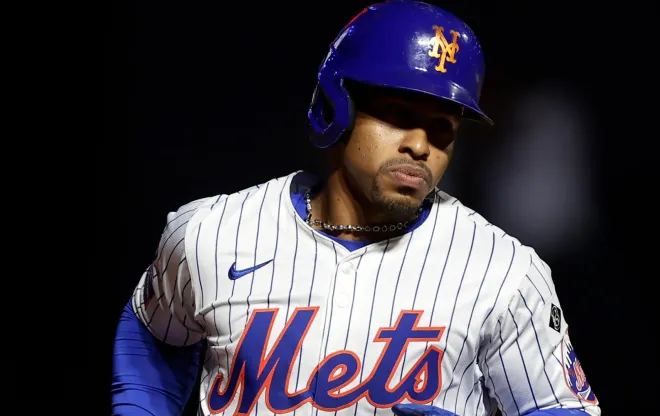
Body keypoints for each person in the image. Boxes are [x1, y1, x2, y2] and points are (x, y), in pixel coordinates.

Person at [111, 1, 602, 415]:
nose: (419, 145)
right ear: (337, 108)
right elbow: (156, 337)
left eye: (441, 129)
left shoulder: (503, 270)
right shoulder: (213, 234)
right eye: (398, 115)